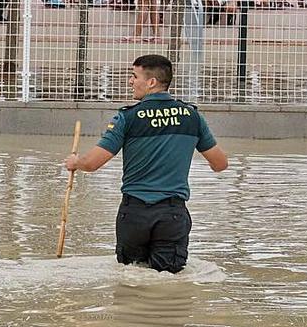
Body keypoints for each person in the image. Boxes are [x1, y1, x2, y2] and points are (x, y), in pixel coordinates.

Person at [63, 55, 229, 273]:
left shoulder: (128, 118)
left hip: (134, 214)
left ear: (151, 82)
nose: (130, 82)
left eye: (134, 76)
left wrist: (76, 162)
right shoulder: (191, 116)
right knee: (168, 282)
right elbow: (220, 164)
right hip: (172, 214)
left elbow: (93, 164)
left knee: (132, 277)